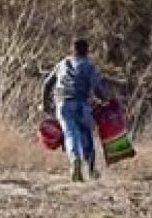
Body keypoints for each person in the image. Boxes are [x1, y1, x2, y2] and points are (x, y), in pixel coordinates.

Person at [41, 37, 111, 182]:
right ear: (87, 51)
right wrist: (105, 100)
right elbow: (97, 87)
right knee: (86, 134)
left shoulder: (62, 64)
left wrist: (45, 104)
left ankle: (75, 160)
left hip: (63, 102)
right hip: (82, 103)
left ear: (72, 50)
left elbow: (47, 84)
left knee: (70, 133)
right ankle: (91, 169)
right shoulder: (88, 65)